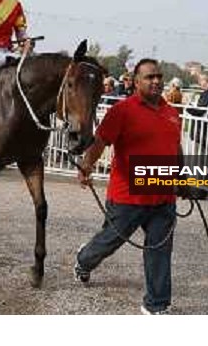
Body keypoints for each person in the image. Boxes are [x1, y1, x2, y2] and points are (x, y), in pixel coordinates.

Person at [73, 58, 182, 315]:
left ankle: (156, 304)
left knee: (159, 251)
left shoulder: (171, 112)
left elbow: (175, 148)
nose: (156, 81)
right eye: (149, 77)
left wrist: (181, 179)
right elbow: (100, 141)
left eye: (158, 76)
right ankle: (83, 260)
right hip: (127, 198)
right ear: (135, 82)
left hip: (163, 196)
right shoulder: (122, 111)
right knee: (108, 242)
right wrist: (86, 166)